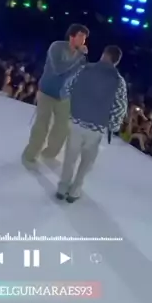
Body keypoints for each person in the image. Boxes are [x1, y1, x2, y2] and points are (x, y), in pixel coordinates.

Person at [56, 45, 127, 202]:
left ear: (103, 54)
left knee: (70, 157)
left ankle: (62, 187)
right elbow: (120, 108)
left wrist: (69, 103)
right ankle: (75, 191)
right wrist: (113, 126)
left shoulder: (85, 69)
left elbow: (67, 87)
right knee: (87, 162)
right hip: (96, 127)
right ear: (116, 61)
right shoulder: (119, 81)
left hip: (76, 121)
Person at [22, 24, 89, 165]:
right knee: (42, 125)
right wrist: (78, 56)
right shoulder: (57, 47)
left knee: (62, 128)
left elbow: (76, 75)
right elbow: (59, 69)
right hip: (47, 92)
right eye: (81, 36)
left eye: (85, 38)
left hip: (64, 96)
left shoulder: (80, 57)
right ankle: (30, 154)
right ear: (72, 36)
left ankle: (49, 154)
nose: (83, 40)